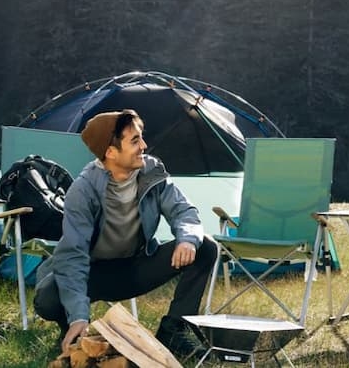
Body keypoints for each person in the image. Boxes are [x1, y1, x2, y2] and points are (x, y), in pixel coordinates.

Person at [33, 109, 220, 359]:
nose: (143, 145)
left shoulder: (151, 171)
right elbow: (73, 256)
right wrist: (78, 315)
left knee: (205, 247)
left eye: (141, 137)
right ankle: (75, 327)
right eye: (134, 141)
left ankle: (173, 331)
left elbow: (183, 210)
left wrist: (187, 238)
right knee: (47, 298)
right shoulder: (83, 190)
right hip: (94, 274)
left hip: (135, 268)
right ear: (110, 152)